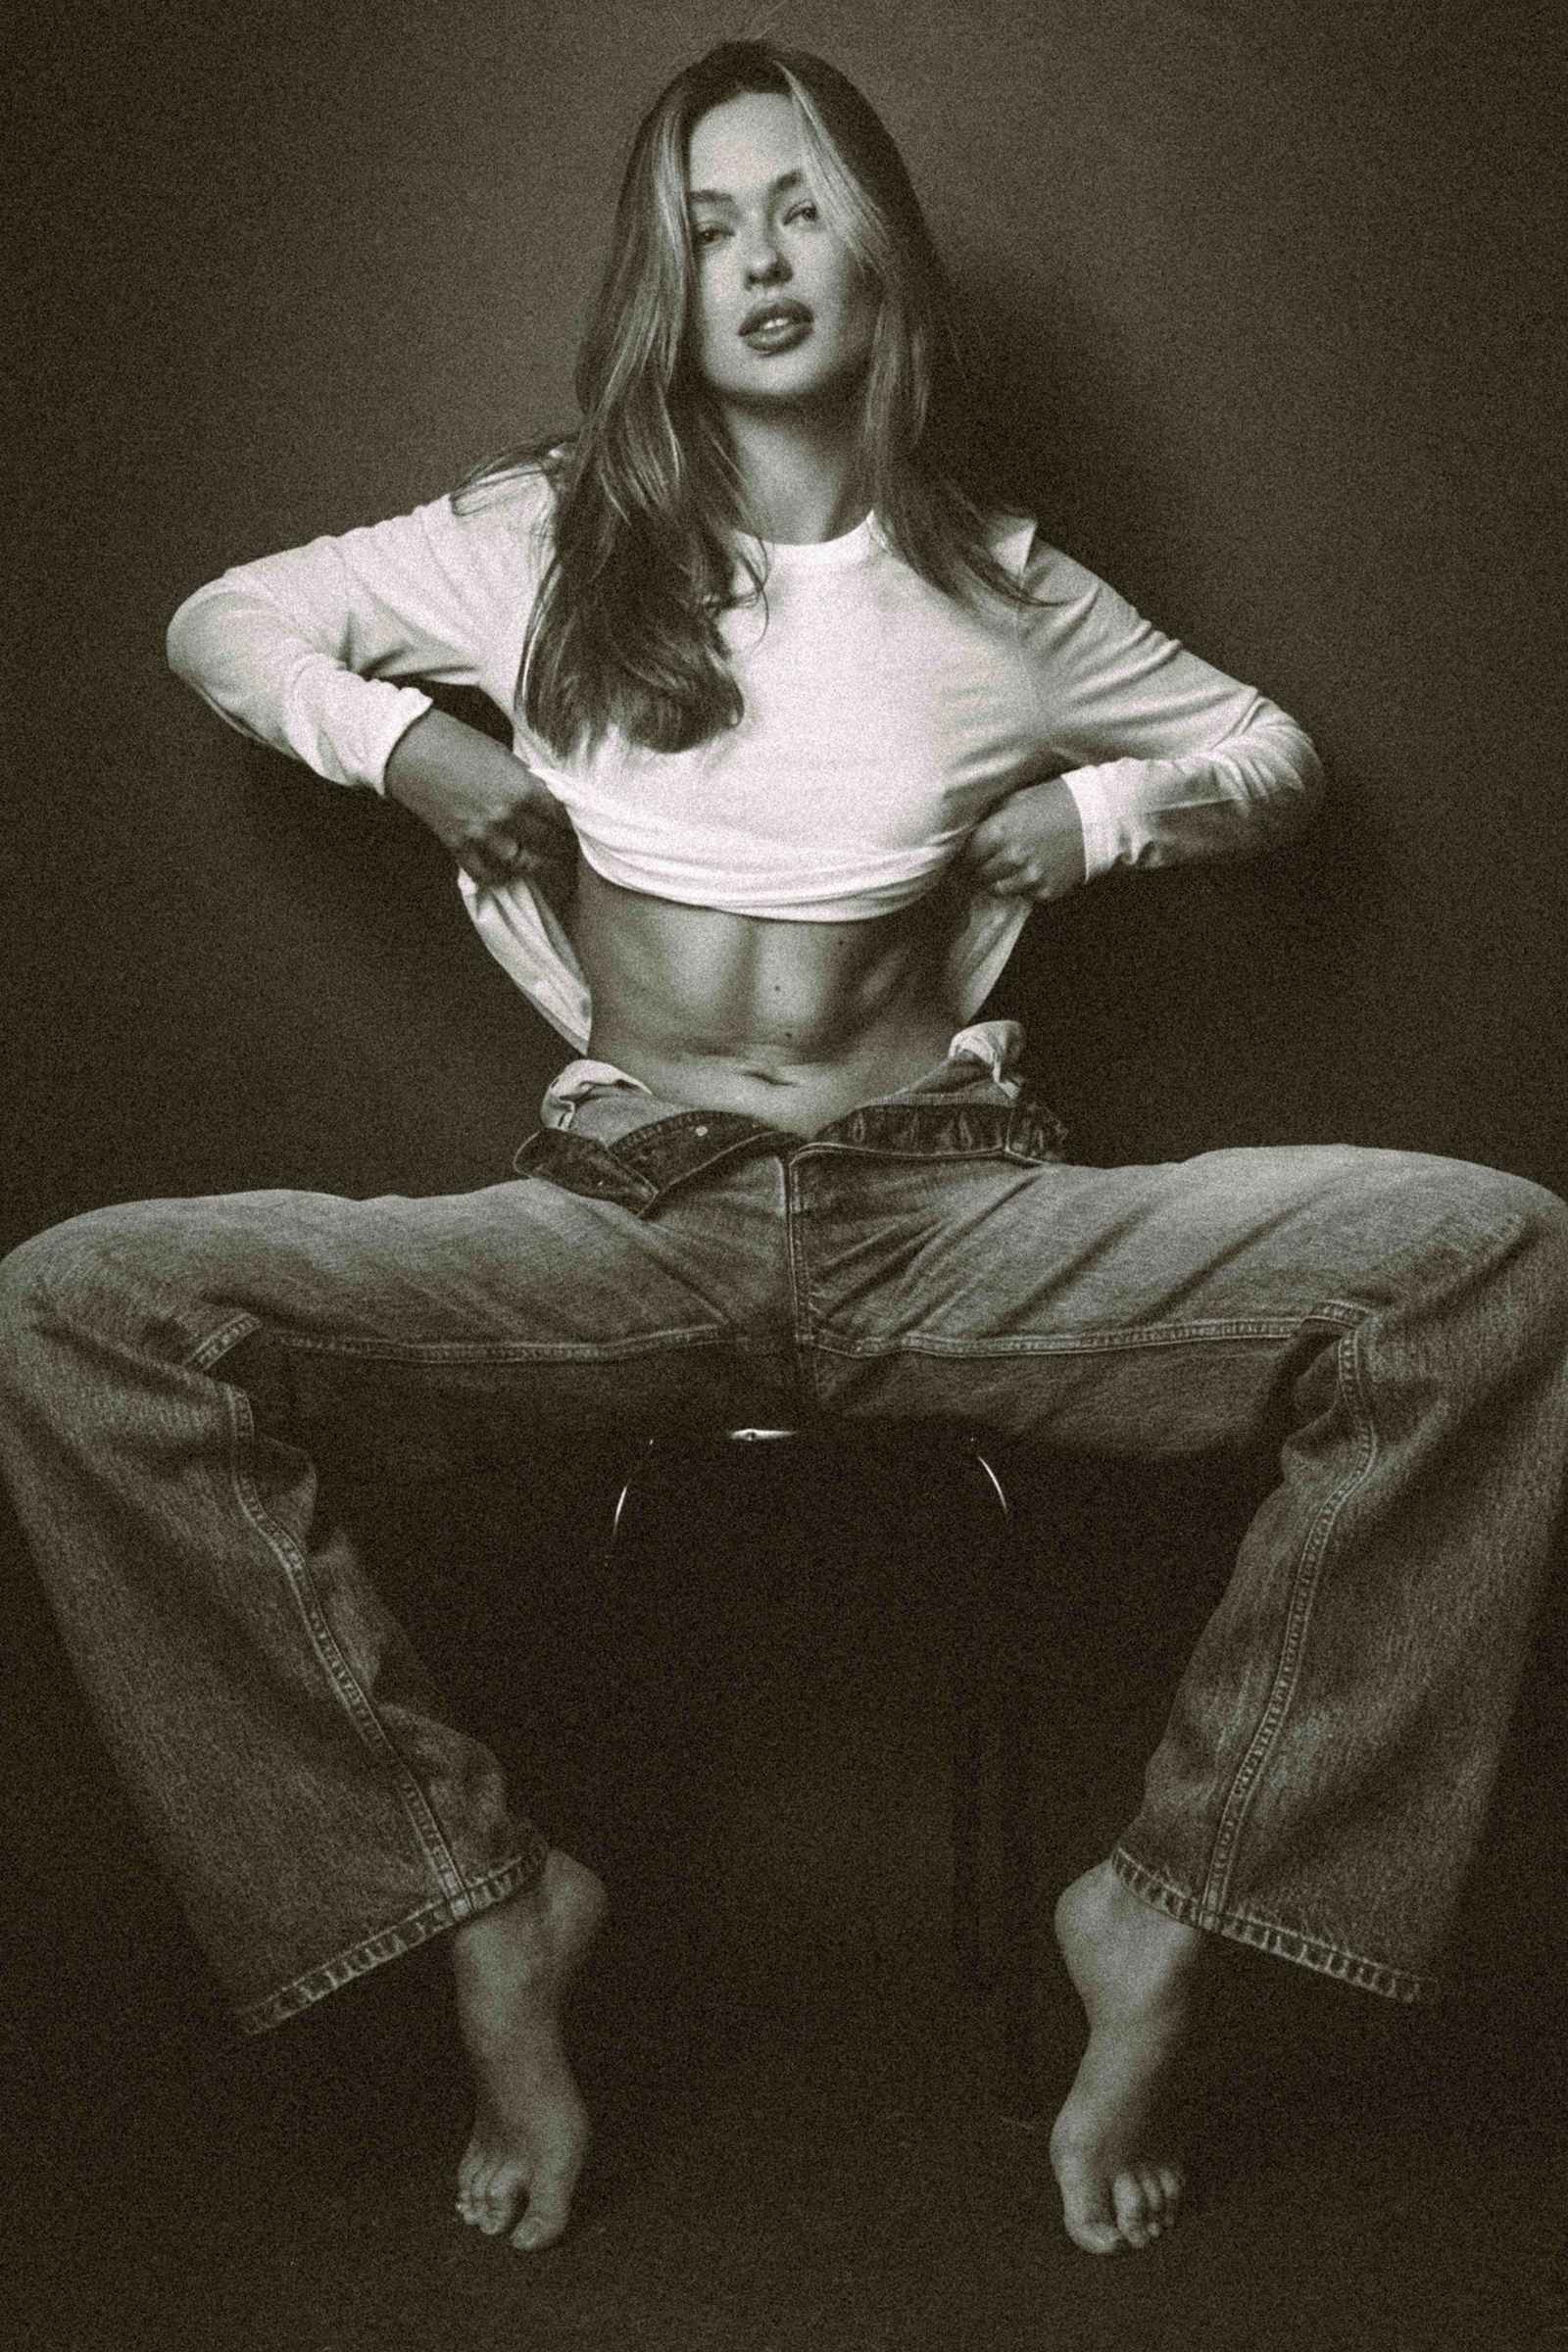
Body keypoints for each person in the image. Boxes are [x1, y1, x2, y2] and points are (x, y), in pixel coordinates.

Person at [1, 36, 1564, 2266]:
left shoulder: (1003, 591)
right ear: (662, 276)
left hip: (959, 1216)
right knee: (82, 1309)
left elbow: (1275, 759)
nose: (755, 256)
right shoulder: (546, 542)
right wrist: (400, 747)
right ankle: (472, 1898)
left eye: (799, 205)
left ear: (878, 251)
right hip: (620, 1224)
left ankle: (1179, 1898)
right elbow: (221, 620)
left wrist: (1106, 811)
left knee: (1490, 1257)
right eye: (707, 221)